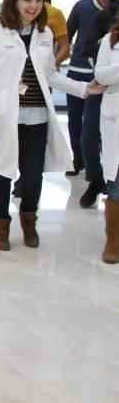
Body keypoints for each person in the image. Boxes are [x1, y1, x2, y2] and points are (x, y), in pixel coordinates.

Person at [0, 0, 103, 251]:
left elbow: (51, 76)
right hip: (4, 117)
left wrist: (85, 88)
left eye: (38, 0)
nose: (33, 6)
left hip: (37, 117)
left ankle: (29, 222)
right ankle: (1, 226)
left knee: (33, 176)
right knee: (2, 173)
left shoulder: (44, 34)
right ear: (15, 1)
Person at [64, 0, 117, 178]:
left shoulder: (113, 13)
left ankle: (96, 167)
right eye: (105, 0)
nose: (108, 4)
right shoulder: (82, 7)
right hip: (78, 70)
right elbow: (68, 34)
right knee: (74, 119)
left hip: (104, 79)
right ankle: (77, 160)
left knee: (94, 126)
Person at [94, 14, 119, 263]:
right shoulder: (109, 41)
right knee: (116, 178)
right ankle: (113, 238)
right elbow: (101, 75)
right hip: (116, 116)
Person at [19, 0, 69, 65]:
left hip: (44, 68)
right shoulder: (13, 12)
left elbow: (64, 47)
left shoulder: (54, 13)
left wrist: (51, 67)